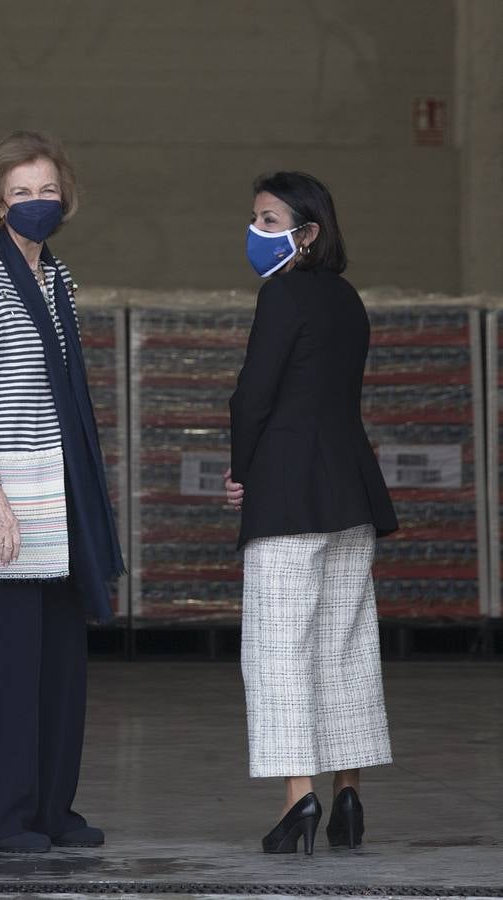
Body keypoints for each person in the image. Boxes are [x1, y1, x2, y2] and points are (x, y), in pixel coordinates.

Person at [0, 131, 124, 853]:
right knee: (9, 661)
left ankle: (50, 807)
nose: (37, 204)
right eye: (22, 193)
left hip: (60, 485)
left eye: (48, 191)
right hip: (9, 486)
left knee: (58, 661)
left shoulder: (55, 278)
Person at [224, 171, 398, 856]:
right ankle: (349, 794)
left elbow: (252, 398)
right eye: (256, 218)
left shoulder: (282, 294)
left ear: (309, 231)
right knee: (346, 645)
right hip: (351, 491)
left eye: (270, 220)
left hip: (289, 496)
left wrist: (242, 470)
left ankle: (299, 800)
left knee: (280, 649)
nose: (256, 232)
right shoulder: (348, 299)